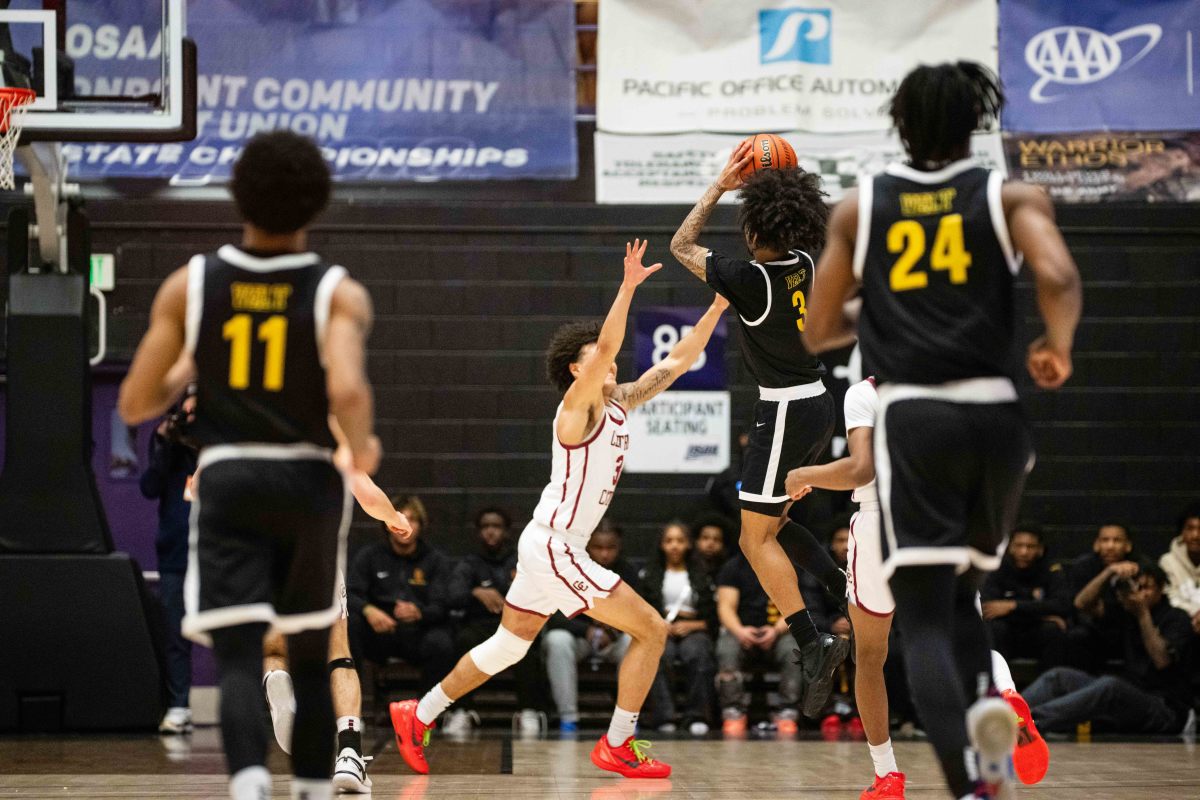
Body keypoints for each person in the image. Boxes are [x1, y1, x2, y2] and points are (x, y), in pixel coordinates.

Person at [801, 62, 1081, 800]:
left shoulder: (862, 210)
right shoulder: (1011, 194)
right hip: (996, 412)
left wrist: (890, 312)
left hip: (915, 415)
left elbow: (821, 327)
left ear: (900, 125)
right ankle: (992, 705)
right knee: (965, 598)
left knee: (921, 619)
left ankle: (970, 784)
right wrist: (1058, 345)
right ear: (975, 124)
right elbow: (1057, 276)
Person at [390, 240, 729, 779]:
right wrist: (628, 287)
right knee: (651, 629)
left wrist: (717, 307)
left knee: (507, 646)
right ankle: (618, 743)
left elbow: (680, 360)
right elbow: (613, 338)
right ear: (576, 370)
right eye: (594, 354)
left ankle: (418, 712)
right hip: (555, 547)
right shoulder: (575, 408)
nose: (608, 355)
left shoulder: (620, 401)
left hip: (546, 544)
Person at [118, 130, 386, 800]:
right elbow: (349, 392)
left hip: (230, 475)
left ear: (237, 195)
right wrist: (363, 445)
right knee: (312, 649)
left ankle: (246, 782)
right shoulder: (337, 292)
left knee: (240, 653)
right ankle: (317, 788)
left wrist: (189, 365)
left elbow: (134, 402)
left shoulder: (193, 283)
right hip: (308, 479)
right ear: (317, 204)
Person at [788, 378, 1051, 797]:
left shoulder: (865, 393)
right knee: (963, 639)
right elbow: (1020, 458)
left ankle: (887, 775)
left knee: (870, 656)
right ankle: (1005, 694)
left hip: (877, 526)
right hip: (943, 522)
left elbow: (861, 469)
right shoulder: (959, 390)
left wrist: (804, 474)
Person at [671, 143, 849, 718]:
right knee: (778, 521)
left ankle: (813, 641)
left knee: (753, 539)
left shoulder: (751, 279)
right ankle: (841, 583)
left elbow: (681, 246)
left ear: (752, 230)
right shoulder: (803, 260)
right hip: (818, 401)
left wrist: (722, 186)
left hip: (786, 410)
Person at [262, 462, 409, 794]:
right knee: (337, 654)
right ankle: (349, 753)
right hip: (316, 552)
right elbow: (366, 494)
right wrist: (393, 517)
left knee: (273, 650)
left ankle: (275, 679)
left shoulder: (252, 424)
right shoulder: (328, 430)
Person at [1023, 566, 1194, 735]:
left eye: (1145, 588)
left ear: (1161, 588)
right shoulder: (1127, 613)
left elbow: (1161, 660)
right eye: (1135, 588)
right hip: (1128, 697)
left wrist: (1143, 614)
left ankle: (1027, 723)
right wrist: (1109, 571)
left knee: (1111, 685)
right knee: (1059, 677)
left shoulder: (1177, 618)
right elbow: (1081, 603)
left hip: (1166, 710)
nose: (1139, 594)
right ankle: (1004, 713)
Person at [445, 506, 543, 737]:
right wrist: (475, 592)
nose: (491, 532)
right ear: (479, 532)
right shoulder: (469, 563)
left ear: (507, 531)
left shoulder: (521, 561)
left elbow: (539, 594)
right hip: (479, 626)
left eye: (496, 527)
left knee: (528, 645)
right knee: (463, 641)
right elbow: (451, 596)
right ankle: (462, 710)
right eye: (486, 527)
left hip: (513, 626)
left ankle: (528, 711)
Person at [346, 495, 456, 697]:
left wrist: (420, 612)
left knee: (443, 643)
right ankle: (353, 709)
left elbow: (443, 604)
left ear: (421, 524)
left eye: (412, 519)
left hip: (418, 632)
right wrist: (369, 611)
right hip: (380, 632)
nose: (404, 525)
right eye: (398, 518)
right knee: (350, 625)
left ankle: (425, 713)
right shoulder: (370, 556)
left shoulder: (435, 560)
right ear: (386, 524)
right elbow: (350, 594)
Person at [542, 521, 641, 734]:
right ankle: (568, 716)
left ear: (619, 547)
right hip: (580, 637)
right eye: (598, 547)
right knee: (556, 640)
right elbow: (554, 616)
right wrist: (585, 630)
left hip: (615, 638)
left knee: (635, 644)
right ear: (587, 546)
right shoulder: (570, 569)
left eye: (610, 548)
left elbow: (639, 613)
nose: (605, 554)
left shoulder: (627, 572)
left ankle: (626, 718)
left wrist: (613, 630)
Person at [139, 392, 199, 735]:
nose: (192, 413)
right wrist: (166, 443)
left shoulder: (218, 439)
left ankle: (250, 703)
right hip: (175, 551)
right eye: (187, 408)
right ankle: (179, 706)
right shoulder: (168, 441)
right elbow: (149, 486)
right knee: (176, 632)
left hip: (217, 550)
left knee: (232, 630)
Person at [640, 521, 718, 735]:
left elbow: (713, 616)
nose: (674, 546)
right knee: (659, 654)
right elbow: (644, 608)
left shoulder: (702, 574)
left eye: (680, 541)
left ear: (689, 545)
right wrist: (660, 624)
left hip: (695, 629)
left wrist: (693, 625)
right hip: (661, 628)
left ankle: (697, 716)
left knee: (698, 653)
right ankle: (664, 717)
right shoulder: (650, 574)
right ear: (661, 545)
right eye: (669, 541)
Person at [714, 551, 803, 735]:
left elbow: (793, 606)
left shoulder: (785, 565)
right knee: (726, 649)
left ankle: (787, 711)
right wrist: (739, 631)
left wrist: (776, 630)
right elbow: (725, 607)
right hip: (741, 631)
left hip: (777, 632)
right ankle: (733, 711)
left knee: (793, 650)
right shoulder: (733, 567)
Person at [980, 523, 1071, 672]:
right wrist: (1040, 613)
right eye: (1019, 545)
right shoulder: (997, 569)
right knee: (995, 628)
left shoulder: (1051, 570)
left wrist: (1012, 606)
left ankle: (1051, 687)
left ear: (1040, 549)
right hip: (1008, 634)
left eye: (1030, 546)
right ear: (1010, 547)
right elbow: (990, 608)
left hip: (1036, 634)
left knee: (1053, 630)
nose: (1024, 551)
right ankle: (997, 688)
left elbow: (1062, 604)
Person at [1066, 524, 1144, 668]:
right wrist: (1108, 571)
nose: (1110, 546)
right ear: (1096, 544)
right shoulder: (1083, 566)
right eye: (1105, 540)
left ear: (1128, 546)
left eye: (1117, 540)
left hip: (1126, 628)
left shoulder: (1140, 565)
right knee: (1077, 636)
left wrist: (1104, 608)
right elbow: (1079, 604)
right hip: (1094, 630)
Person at [1158, 503, 1200, 635]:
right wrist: (1195, 613)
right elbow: (1170, 597)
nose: (1195, 535)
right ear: (1182, 532)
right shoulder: (1168, 561)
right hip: (1182, 623)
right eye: (1190, 529)